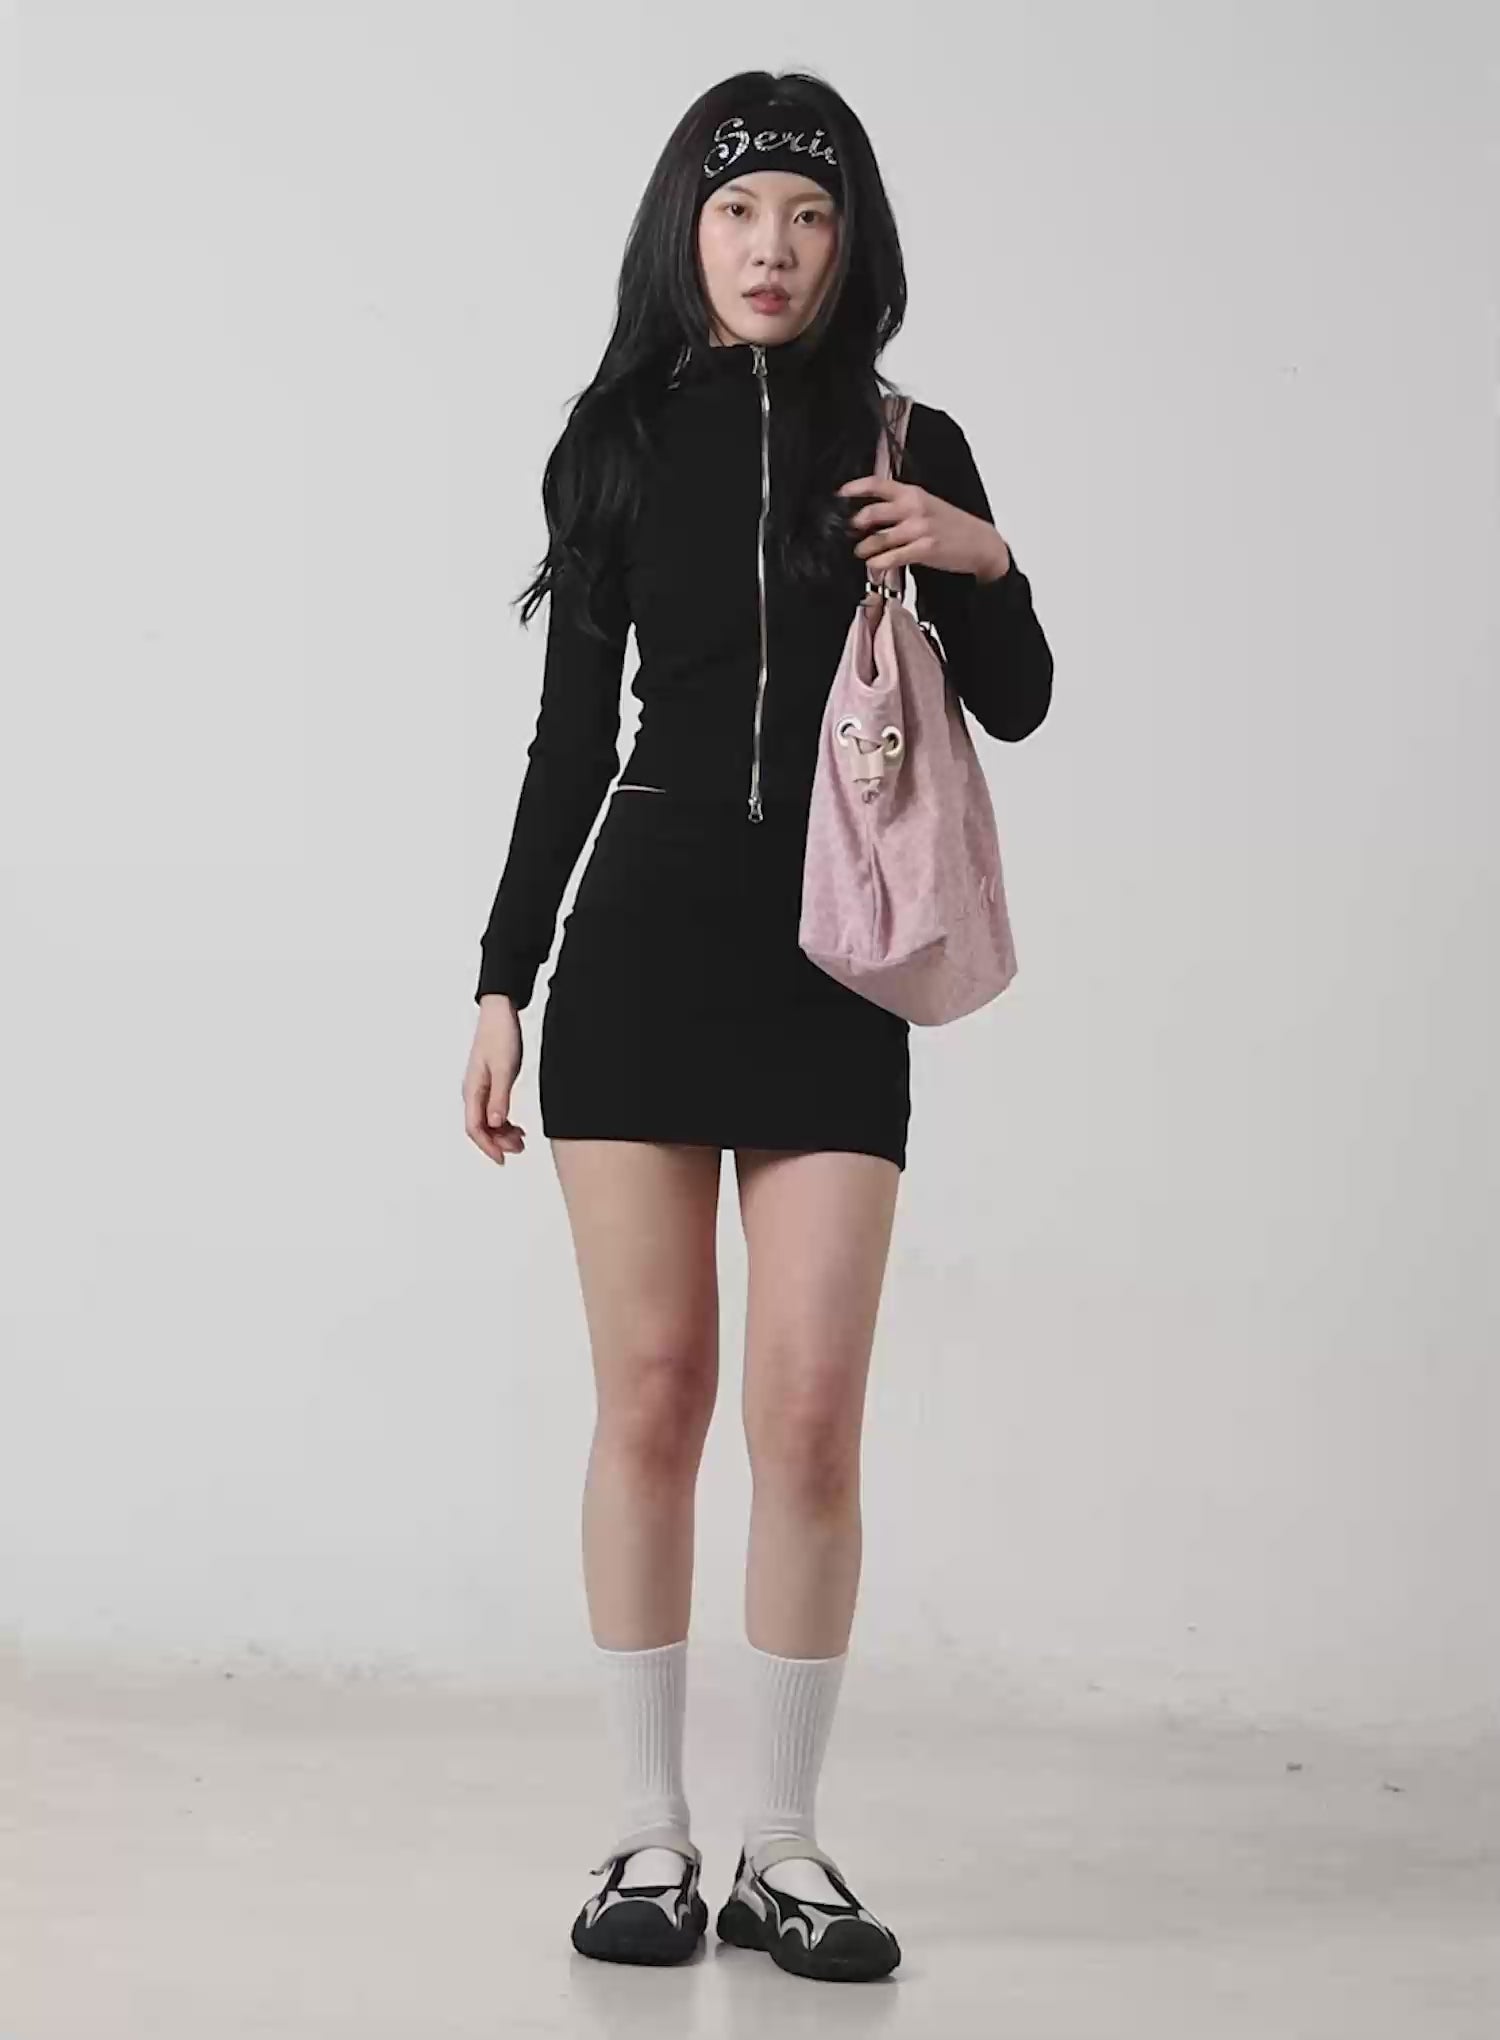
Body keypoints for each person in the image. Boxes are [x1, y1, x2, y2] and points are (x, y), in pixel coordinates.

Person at [461, 69, 1053, 1983]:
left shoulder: (910, 440)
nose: (772, 247)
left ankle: (785, 1847)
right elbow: (569, 739)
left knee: (807, 1415)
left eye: (807, 213)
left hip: (834, 968)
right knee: (654, 1394)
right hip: (640, 952)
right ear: (688, 233)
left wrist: (978, 557)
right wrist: (501, 980)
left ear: (850, 239)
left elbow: (1020, 699)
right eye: (738, 213)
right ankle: (648, 1832)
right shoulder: (622, 434)